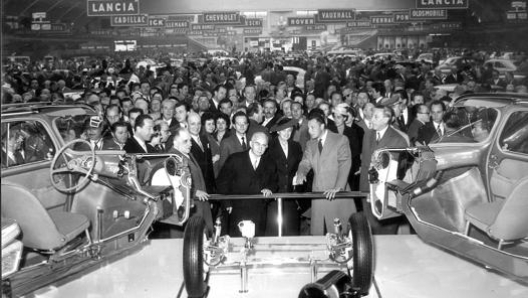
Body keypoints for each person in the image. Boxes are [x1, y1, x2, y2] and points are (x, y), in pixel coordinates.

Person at [294, 110, 353, 235]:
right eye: (308, 127)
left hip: (336, 194)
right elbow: (305, 162)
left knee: (340, 235)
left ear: (322, 126)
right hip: (318, 194)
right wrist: (300, 173)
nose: (309, 131)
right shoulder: (310, 144)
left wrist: (338, 187)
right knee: (319, 233)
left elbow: (345, 163)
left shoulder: (340, 139)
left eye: (312, 127)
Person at [217, 132, 278, 237]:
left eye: (264, 145)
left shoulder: (270, 163)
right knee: (236, 242)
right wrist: (226, 202)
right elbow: (222, 182)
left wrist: (269, 189)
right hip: (236, 209)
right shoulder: (235, 159)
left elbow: (274, 182)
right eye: (257, 144)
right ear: (250, 143)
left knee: (257, 242)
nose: (260, 148)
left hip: (258, 210)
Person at [361, 105, 408, 234]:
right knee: (369, 232)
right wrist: (366, 189)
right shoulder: (368, 134)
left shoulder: (399, 140)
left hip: (386, 193)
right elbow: (365, 162)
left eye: (376, 116)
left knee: (385, 233)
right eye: (372, 115)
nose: (372, 119)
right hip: (366, 191)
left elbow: (401, 170)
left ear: (386, 119)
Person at [167, 127, 214, 234]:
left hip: (199, 206)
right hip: (190, 208)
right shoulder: (172, 159)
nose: (190, 144)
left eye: (190, 141)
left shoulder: (187, 154)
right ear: (175, 142)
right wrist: (195, 192)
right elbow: (174, 186)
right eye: (185, 141)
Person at [266, 118, 303, 236]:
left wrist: (299, 175)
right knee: (274, 228)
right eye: (284, 131)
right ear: (278, 131)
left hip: (291, 194)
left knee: (291, 228)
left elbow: (299, 165)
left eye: (289, 130)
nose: (287, 133)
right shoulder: (269, 147)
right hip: (274, 194)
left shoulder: (296, 146)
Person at [187, 113, 216, 194]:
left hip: (208, 187)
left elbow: (209, 166)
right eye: (193, 124)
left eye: (198, 123)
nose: (196, 127)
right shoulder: (185, 143)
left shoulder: (205, 139)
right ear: (187, 124)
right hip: (196, 190)